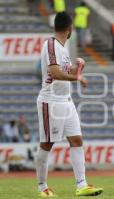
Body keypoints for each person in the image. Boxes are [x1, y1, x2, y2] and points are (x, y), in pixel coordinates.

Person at [35, 12, 102, 197]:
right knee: (47, 144)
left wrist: (78, 68)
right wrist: (77, 77)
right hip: (51, 101)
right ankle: (42, 187)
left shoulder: (63, 48)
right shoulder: (51, 44)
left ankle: (82, 184)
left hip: (66, 101)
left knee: (77, 140)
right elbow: (55, 73)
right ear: (70, 28)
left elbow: (65, 71)